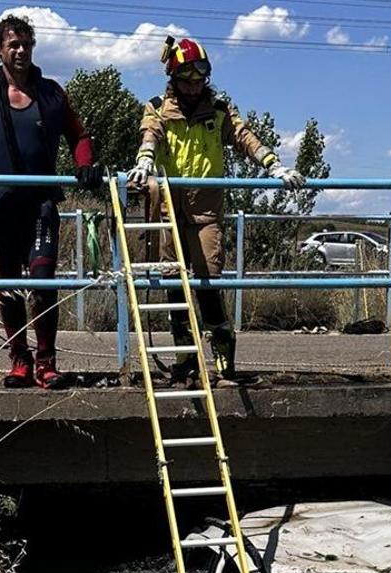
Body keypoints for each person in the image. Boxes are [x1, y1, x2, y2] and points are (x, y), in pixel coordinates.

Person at [127, 36, 304, 386]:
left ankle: (224, 365)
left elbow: (244, 136)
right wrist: (145, 157)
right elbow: (151, 133)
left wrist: (274, 166)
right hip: (167, 211)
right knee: (174, 287)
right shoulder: (158, 107)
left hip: (206, 210)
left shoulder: (219, 111)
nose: (193, 87)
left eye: (199, 80)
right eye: (186, 80)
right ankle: (185, 362)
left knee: (208, 282)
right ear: (173, 78)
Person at [0, 14, 102, 389]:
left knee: (43, 279)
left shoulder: (51, 93)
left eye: (26, 45)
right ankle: (19, 359)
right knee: (9, 284)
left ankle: (46, 362)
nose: (20, 51)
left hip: (40, 206)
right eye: (13, 45)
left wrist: (85, 166)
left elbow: (80, 136)